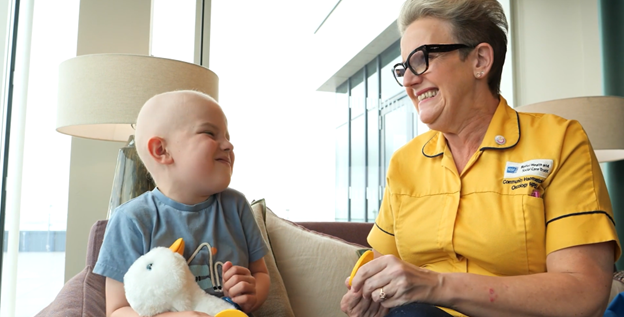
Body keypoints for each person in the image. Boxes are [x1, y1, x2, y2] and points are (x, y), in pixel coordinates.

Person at [341, 1, 621, 316]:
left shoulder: (560, 141)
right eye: (404, 67)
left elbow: (584, 295)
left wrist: (437, 285)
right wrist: (369, 294)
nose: (408, 80)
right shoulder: (404, 163)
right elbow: (382, 266)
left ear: (480, 60)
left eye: (422, 60)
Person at [94, 90, 270, 317]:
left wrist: (252, 293)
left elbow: (261, 274)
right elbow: (117, 310)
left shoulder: (236, 206)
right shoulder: (131, 219)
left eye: (227, 136)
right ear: (162, 151)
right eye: (210, 133)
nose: (228, 145)